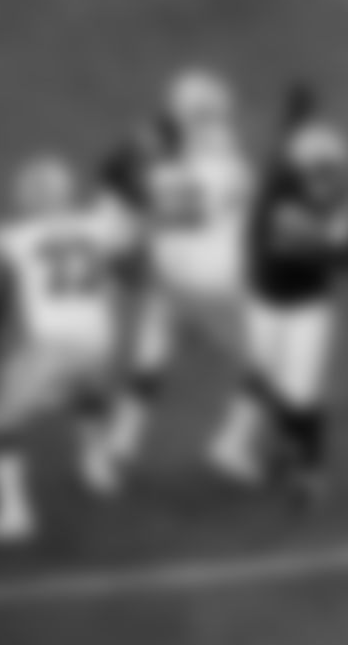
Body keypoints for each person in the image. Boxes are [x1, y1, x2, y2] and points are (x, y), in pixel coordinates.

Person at [101, 66, 262, 480]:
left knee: (150, 360)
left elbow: (117, 179)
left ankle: (118, 445)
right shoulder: (232, 166)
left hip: (170, 279)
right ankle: (233, 443)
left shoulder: (154, 163)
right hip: (217, 284)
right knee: (270, 361)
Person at [0, 155, 136, 543]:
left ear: (34, 198)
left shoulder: (15, 238)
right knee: (88, 394)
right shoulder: (100, 226)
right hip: (100, 341)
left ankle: (14, 514)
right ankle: (96, 467)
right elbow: (127, 264)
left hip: (55, 346)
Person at [242, 82, 348, 502]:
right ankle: (290, 448)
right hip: (268, 298)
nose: (324, 180)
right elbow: (290, 238)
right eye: (318, 172)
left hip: (306, 304)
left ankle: (311, 469)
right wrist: (338, 242)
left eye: (329, 173)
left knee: (302, 391)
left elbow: (334, 234)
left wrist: (341, 240)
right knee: (273, 382)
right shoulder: (281, 185)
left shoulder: (307, 174)